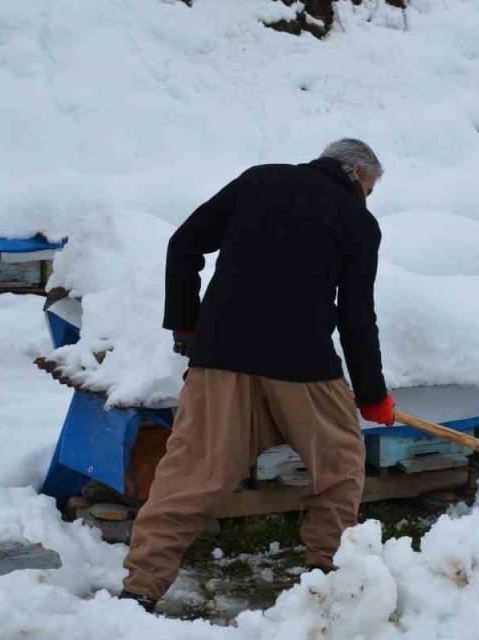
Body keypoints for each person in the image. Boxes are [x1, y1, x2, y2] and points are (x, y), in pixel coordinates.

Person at [119, 139, 396, 612]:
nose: (367, 198)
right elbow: (356, 316)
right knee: (340, 464)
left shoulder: (259, 179)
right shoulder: (357, 221)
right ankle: (324, 572)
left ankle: (139, 589)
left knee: (190, 473)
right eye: (369, 188)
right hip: (302, 364)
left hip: (219, 356)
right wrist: (372, 396)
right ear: (354, 172)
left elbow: (183, 243)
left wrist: (187, 323)